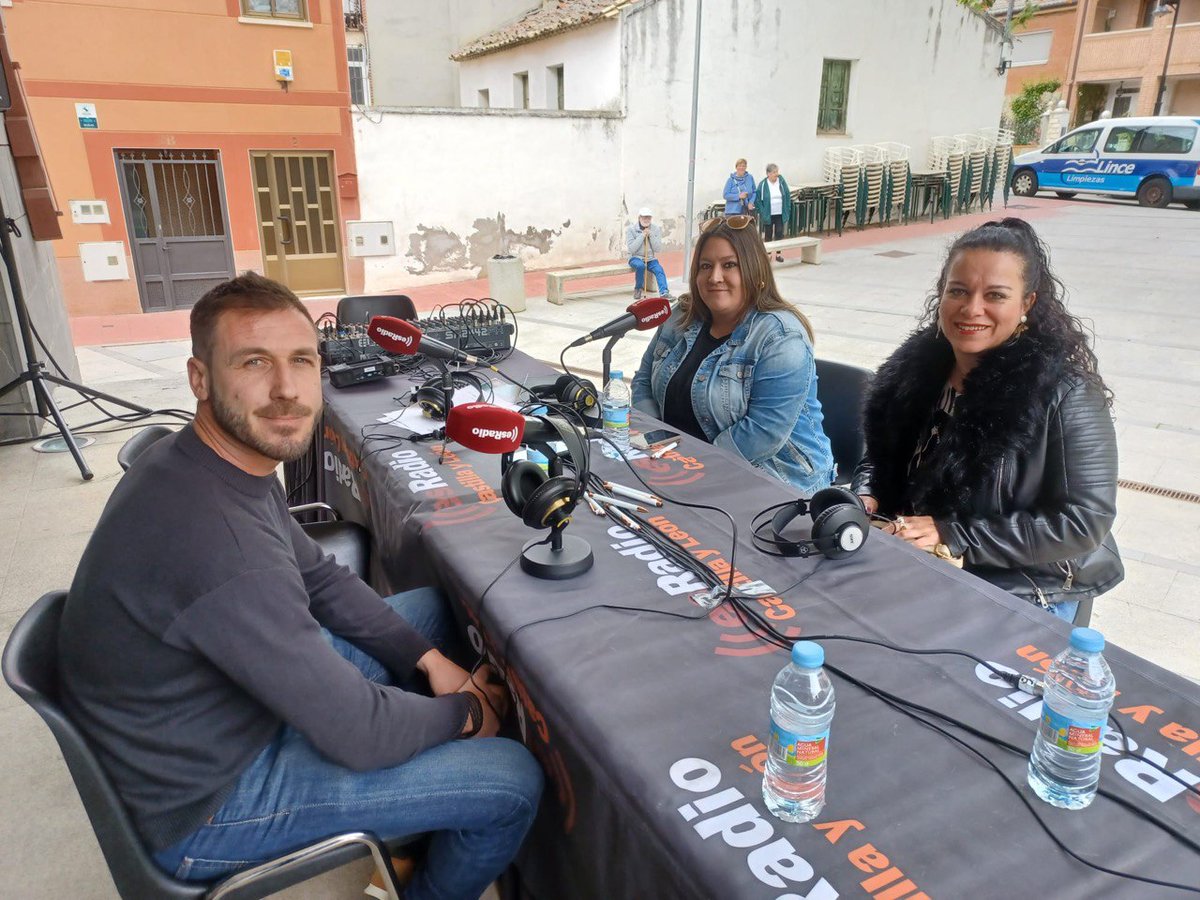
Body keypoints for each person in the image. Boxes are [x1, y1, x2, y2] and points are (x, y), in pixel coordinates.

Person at [57, 273, 543, 900]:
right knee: (512, 778)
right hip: (206, 802)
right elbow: (359, 732)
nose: (286, 391)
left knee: (427, 616)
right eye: (254, 362)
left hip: (210, 712)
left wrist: (430, 662)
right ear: (200, 379)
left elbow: (318, 576)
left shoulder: (216, 462)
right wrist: (470, 712)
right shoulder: (219, 545)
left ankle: (418, 820)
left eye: (302, 361)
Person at [852, 218, 1123, 621]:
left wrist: (953, 534)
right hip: (919, 556)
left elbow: (1083, 521)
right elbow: (880, 458)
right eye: (958, 291)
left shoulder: (1065, 394)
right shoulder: (915, 373)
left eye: (995, 295)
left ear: (1026, 304)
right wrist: (866, 495)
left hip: (1024, 582)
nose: (971, 308)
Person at [631, 216, 835, 493]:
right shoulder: (681, 315)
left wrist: (689, 468)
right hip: (679, 469)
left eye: (729, 265)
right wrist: (656, 444)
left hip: (776, 480)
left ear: (754, 271)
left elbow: (762, 433)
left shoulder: (782, 338)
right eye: (706, 266)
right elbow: (643, 381)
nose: (714, 277)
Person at [625, 206, 671, 300]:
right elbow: (631, 249)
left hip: (650, 258)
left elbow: (657, 249)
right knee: (640, 266)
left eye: (648, 217)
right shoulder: (631, 229)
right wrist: (642, 236)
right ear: (639, 218)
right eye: (644, 217)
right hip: (635, 257)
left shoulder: (655, 229)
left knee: (659, 269)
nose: (646, 219)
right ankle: (638, 289)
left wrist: (651, 235)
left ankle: (664, 292)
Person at [755, 163, 792, 261]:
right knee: (768, 234)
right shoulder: (763, 184)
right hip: (768, 214)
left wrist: (787, 208)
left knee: (779, 232)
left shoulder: (781, 182)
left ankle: (778, 254)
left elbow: (787, 195)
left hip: (779, 213)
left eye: (777, 172)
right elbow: (757, 199)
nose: (776, 174)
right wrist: (762, 211)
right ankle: (768, 254)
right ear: (768, 174)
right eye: (774, 172)